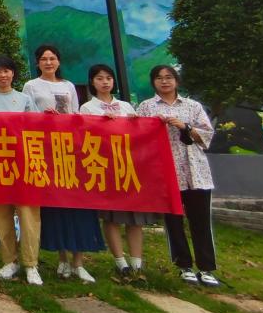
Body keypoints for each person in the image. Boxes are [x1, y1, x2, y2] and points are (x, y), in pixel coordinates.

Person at [23, 44, 104, 283]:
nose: (48, 62)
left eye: (52, 58)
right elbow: (27, 116)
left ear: (58, 61)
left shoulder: (69, 86)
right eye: (44, 59)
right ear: (37, 63)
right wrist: (43, 119)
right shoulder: (31, 86)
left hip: (69, 148)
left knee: (77, 202)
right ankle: (62, 259)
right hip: (46, 149)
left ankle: (78, 262)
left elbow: (76, 115)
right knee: (55, 203)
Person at [136, 65, 219, 287]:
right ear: (153, 82)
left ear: (177, 81)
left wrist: (185, 126)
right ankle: (184, 266)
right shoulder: (146, 107)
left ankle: (207, 268)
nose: (164, 82)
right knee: (173, 221)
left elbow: (207, 135)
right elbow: (138, 136)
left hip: (196, 171)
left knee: (201, 221)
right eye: (159, 78)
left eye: (169, 77)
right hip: (165, 172)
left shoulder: (192, 106)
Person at [80, 64, 154, 280]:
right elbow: (84, 136)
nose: (105, 82)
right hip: (105, 166)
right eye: (99, 78)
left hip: (129, 166)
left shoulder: (126, 107)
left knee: (134, 216)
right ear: (92, 82)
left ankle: (137, 262)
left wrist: (135, 124)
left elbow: (140, 135)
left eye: (108, 78)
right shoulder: (87, 108)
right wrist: (102, 125)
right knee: (111, 216)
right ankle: (120, 261)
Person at [0, 55, 42, 286]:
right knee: (1, 215)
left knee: (28, 215)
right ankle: (9, 261)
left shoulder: (25, 99)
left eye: (6, 71)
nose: (3, 75)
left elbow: (36, 127)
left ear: (13, 74)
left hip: (24, 164)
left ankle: (31, 264)